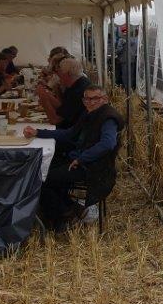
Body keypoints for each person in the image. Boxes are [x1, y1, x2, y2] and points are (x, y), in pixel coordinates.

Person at [24, 86, 124, 230]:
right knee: (43, 169)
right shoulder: (89, 114)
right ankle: (69, 210)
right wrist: (38, 132)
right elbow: (69, 133)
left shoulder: (108, 118)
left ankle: (66, 214)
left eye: (94, 99)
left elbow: (108, 144)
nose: (90, 102)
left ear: (105, 99)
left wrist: (82, 158)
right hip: (81, 160)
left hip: (94, 168)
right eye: (86, 99)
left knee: (43, 179)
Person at [38, 57, 90, 129]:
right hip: (73, 128)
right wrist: (47, 94)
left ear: (67, 74)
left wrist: (43, 97)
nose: (57, 75)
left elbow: (55, 120)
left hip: (73, 133)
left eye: (59, 72)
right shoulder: (78, 83)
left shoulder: (78, 91)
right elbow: (63, 107)